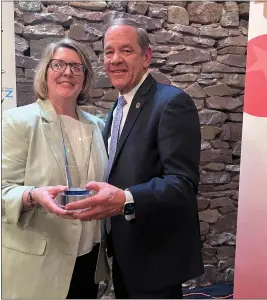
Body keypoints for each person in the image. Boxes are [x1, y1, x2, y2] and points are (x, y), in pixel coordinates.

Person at [66, 18, 204, 299]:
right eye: (108, 52)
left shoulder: (171, 102)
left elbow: (182, 183)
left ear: (146, 57)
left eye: (126, 50)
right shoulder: (116, 109)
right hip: (124, 254)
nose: (115, 60)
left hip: (155, 259)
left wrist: (125, 199)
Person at [2, 38, 109, 299]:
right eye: (58, 64)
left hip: (88, 257)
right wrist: (32, 196)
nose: (67, 72)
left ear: (85, 77)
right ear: (45, 72)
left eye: (76, 67)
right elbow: (3, 189)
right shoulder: (18, 121)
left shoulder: (99, 127)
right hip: (38, 264)